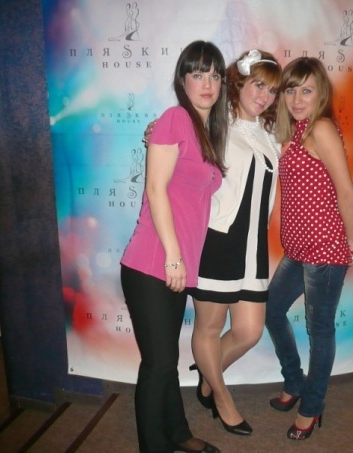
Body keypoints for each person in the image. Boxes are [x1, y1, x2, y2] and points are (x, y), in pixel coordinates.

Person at [120, 40, 228, 453]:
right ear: (183, 81)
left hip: (173, 264)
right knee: (159, 364)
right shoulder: (175, 119)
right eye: (198, 74)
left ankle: (178, 434)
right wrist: (173, 257)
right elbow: (155, 189)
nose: (207, 84)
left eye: (214, 75)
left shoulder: (207, 131)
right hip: (154, 261)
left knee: (165, 361)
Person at [264, 57, 353, 441]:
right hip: (298, 250)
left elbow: (346, 191)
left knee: (319, 331)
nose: (298, 99)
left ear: (320, 94)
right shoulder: (291, 131)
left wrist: (349, 243)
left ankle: (312, 405)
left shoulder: (321, 128)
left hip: (325, 250)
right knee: (271, 310)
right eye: (291, 90)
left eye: (307, 90)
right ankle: (294, 381)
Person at [188, 49, 281, 436]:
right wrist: (156, 131)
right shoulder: (215, 123)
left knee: (249, 331)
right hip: (217, 241)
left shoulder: (269, 134)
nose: (264, 96)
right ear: (239, 83)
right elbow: (179, 137)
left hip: (253, 247)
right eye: (258, 85)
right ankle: (222, 398)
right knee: (209, 329)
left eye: (271, 90)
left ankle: (207, 375)